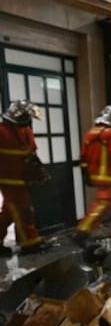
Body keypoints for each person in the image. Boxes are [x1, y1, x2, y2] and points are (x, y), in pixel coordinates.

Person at [75, 106, 111, 246]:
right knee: (102, 204)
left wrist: (86, 174)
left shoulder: (91, 133)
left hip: (95, 175)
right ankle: (82, 231)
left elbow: (82, 157)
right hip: (109, 175)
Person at [0, 100, 48, 255]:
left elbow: (31, 152)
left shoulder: (25, 131)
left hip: (22, 179)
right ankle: (30, 243)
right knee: (23, 210)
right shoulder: (1, 131)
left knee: (9, 212)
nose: (28, 121)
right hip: (8, 180)